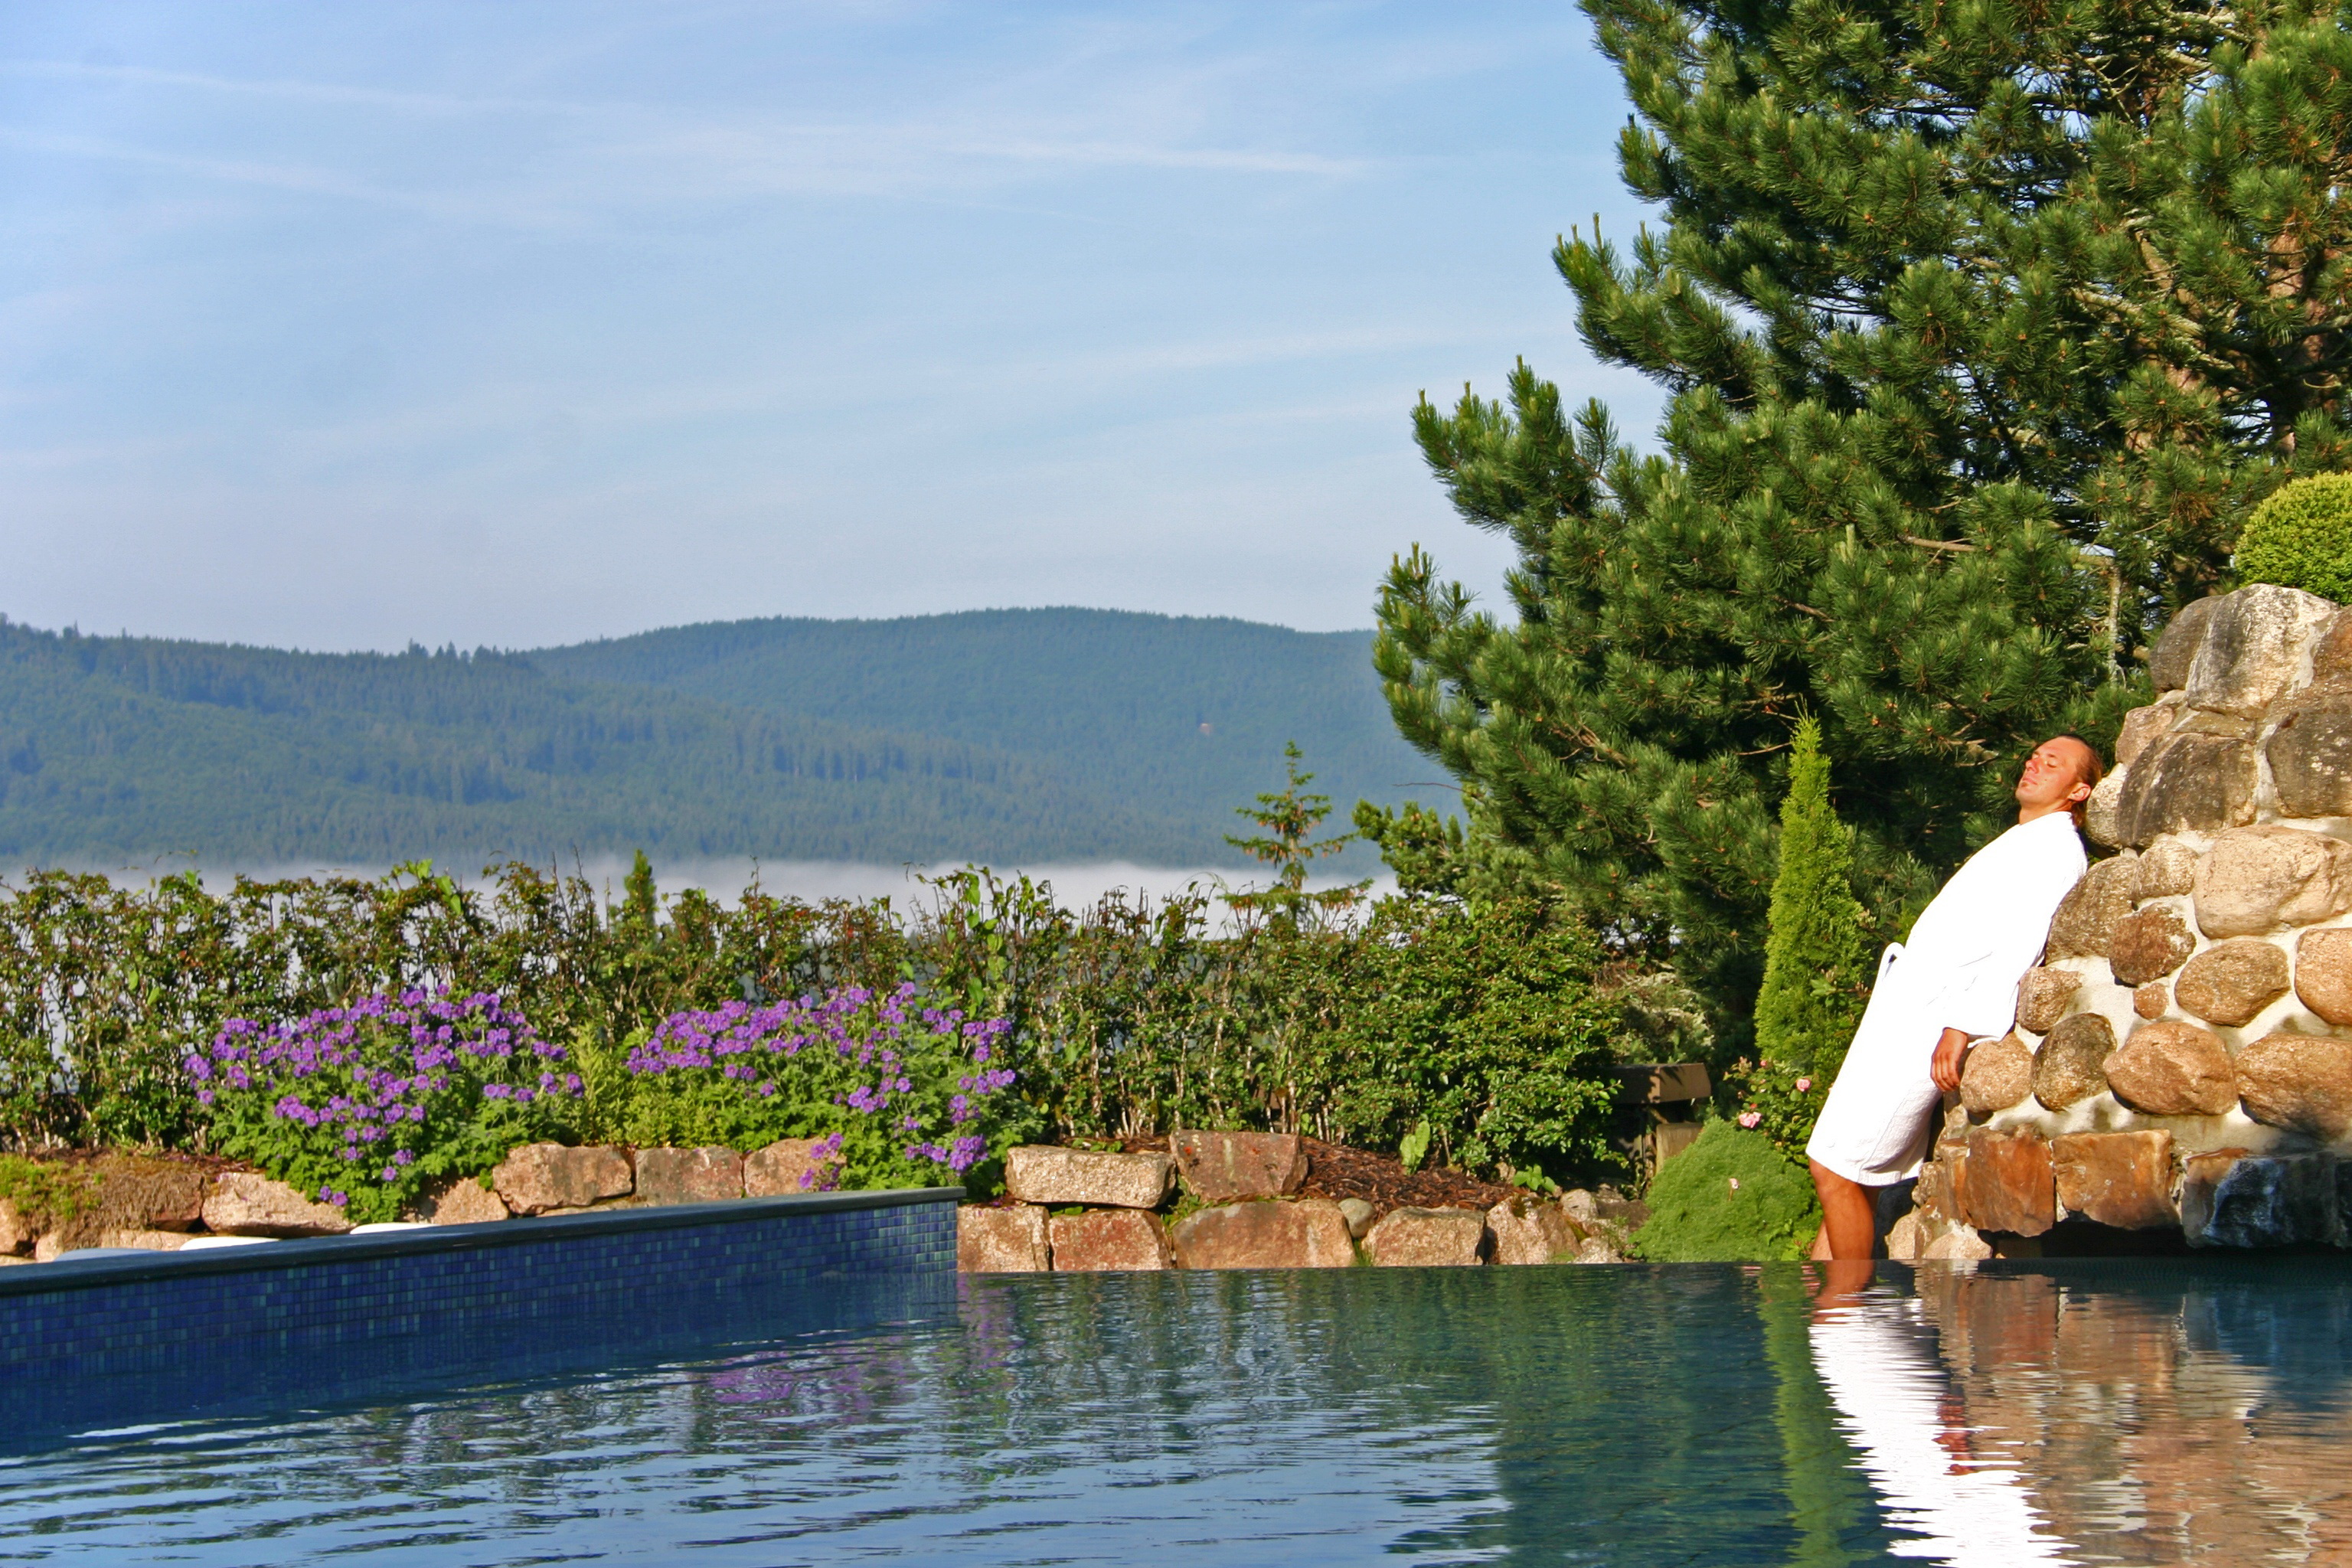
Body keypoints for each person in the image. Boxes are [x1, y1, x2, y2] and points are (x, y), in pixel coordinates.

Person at [1805, 735, 2104, 1260]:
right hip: (1907, 1007)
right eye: (2034, 756)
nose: (2034, 764)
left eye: (2052, 763)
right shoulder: (2024, 839)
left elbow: (2020, 946)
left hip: (1932, 1018)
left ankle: (1845, 1310)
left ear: (2079, 790)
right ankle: (1829, 1316)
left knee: (1835, 1167)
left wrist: (1960, 1026)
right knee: (1849, 1169)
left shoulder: (2057, 852)